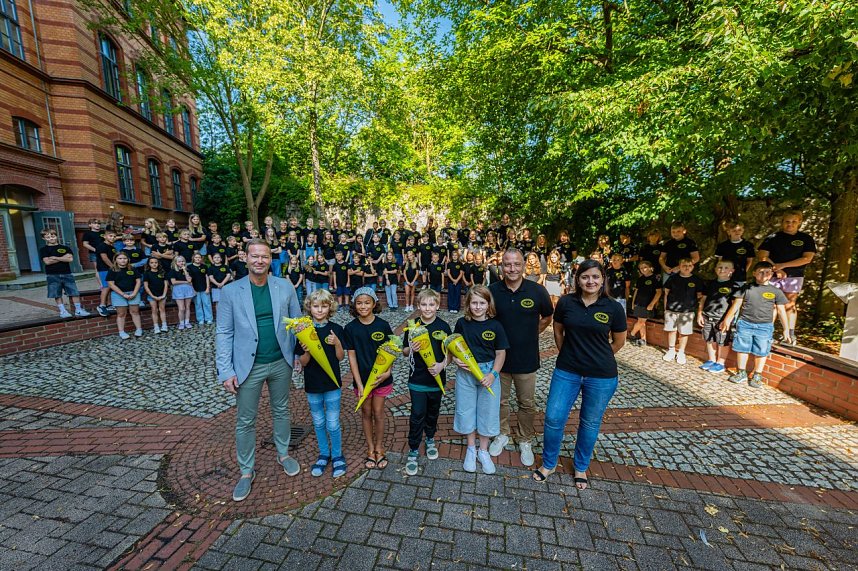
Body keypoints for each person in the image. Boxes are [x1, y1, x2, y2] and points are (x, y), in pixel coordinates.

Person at [216, 239, 303, 502]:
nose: (259, 261)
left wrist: (299, 354)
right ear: (245, 258)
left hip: (280, 362)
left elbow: (298, 324)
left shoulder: (284, 286)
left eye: (264, 256)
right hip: (247, 366)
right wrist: (225, 370)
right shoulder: (231, 292)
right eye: (254, 256)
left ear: (270, 259)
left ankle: (284, 453)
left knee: (281, 410)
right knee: (245, 419)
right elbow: (224, 332)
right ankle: (246, 471)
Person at [533, 259, 627, 489]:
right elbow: (558, 329)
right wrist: (568, 352)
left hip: (601, 376)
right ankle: (549, 463)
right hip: (567, 370)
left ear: (602, 279)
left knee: (590, 423)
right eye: (585, 277)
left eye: (595, 276)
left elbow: (619, 341)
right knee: (554, 418)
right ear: (578, 279)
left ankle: (581, 467)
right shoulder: (566, 302)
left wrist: (597, 357)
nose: (590, 281)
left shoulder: (613, 307)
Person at [488, 249, 553, 467]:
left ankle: (525, 439)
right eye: (507, 264)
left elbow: (547, 316)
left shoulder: (537, 290)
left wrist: (531, 333)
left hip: (526, 357)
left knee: (526, 403)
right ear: (501, 266)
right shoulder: (492, 291)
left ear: (523, 265)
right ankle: (502, 433)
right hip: (499, 358)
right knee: (500, 400)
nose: (512, 269)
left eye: (516, 264)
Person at [452, 286, 508, 474]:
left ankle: (483, 450)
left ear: (488, 304)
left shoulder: (496, 325)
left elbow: (501, 353)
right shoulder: (461, 323)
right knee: (466, 409)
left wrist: (493, 374)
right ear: (468, 304)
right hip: (466, 374)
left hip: (488, 373)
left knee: (488, 410)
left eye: (482, 303)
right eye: (474, 302)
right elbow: (453, 347)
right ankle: (470, 448)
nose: (477, 307)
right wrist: (456, 360)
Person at [295, 289, 347, 478]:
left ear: (330, 307)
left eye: (324, 306)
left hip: (332, 384)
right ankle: (324, 454)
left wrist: (337, 343)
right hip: (312, 385)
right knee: (318, 422)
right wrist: (307, 351)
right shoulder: (303, 331)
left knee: (332, 423)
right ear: (309, 308)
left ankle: (337, 455)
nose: (319, 310)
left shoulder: (336, 329)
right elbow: (303, 362)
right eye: (316, 306)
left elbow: (340, 358)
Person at [402, 288, 452, 476]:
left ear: (438, 305)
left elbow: (450, 354)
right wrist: (411, 349)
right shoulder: (412, 325)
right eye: (424, 304)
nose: (428, 308)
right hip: (417, 379)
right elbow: (404, 351)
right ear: (418, 306)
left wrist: (441, 365)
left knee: (432, 412)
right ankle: (413, 449)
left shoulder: (444, 326)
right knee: (417, 414)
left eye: (432, 304)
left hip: (436, 380)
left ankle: (430, 438)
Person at [344, 287, 395, 470]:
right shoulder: (350, 328)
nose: (363, 306)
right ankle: (370, 448)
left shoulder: (383, 325)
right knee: (366, 413)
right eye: (359, 303)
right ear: (354, 305)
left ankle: (380, 447)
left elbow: (392, 350)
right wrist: (358, 383)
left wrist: (388, 372)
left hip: (382, 379)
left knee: (379, 413)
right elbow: (351, 356)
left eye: (367, 302)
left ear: (374, 303)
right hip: (362, 381)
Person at [721, 261, 792, 387]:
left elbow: (781, 311)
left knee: (761, 351)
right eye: (760, 272)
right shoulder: (746, 288)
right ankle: (741, 372)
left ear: (771, 274)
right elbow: (736, 305)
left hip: (765, 327)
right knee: (742, 349)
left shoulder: (776, 291)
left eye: (767, 272)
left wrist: (786, 329)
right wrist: (727, 319)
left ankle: (757, 375)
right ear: (754, 273)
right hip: (745, 324)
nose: (764, 274)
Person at [757, 210, 817, 345]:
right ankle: (766, 332)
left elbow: (807, 258)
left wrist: (782, 266)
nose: (790, 224)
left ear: (799, 222)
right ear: (782, 222)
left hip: (795, 277)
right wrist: (775, 268)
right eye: (787, 221)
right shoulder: (773, 237)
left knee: (790, 304)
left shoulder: (806, 239)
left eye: (794, 221)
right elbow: (762, 256)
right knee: (770, 304)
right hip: (772, 276)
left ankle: (790, 335)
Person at [697, 259, 740, 374]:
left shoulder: (734, 286)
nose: (722, 270)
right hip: (707, 316)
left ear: (732, 271)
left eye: (726, 268)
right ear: (716, 269)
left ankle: (720, 363)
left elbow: (736, 304)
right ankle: (711, 360)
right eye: (720, 267)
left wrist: (727, 319)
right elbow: (703, 299)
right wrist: (699, 313)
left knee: (722, 341)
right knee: (709, 339)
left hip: (722, 319)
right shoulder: (710, 283)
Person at [662, 258, 705, 365]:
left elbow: (700, 295)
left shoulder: (696, 280)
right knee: (672, 331)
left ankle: (681, 352)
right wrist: (665, 308)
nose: (687, 267)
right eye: (684, 265)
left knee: (684, 333)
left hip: (687, 311)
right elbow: (666, 293)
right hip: (671, 310)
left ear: (693, 267)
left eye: (689, 265)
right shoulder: (673, 278)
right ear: (679, 266)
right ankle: (671, 350)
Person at [39, 229, 89, 318]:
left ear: (56, 236)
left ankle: (78, 310)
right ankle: (63, 311)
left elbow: (70, 259)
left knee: (74, 292)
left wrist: (55, 257)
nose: (51, 238)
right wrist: (63, 258)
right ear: (44, 239)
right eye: (48, 237)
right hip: (52, 274)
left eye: (53, 236)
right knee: (57, 293)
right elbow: (47, 262)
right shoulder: (44, 250)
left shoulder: (65, 248)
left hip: (67, 273)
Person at [106, 251, 143, 339]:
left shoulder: (132, 268)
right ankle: (122, 332)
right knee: (121, 313)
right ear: (116, 259)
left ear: (128, 259)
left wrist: (134, 292)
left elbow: (138, 281)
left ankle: (138, 329)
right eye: (120, 258)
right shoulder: (112, 270)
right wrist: (123, 294)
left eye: (124, 258)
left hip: (133, 292)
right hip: (118, 294)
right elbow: (111, 284)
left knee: (135, 312)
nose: (123, 260)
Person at [628, 261, 661, 346]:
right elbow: (636, 291)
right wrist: (633, 302)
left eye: (645, 267)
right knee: (641, 321)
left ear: (650, 267)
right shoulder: (640, 279)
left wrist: (652, 304)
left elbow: (659, 292)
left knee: (641, 322)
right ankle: (643, 340)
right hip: (638, 303)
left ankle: (631, 334)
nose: (643, 269)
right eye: (641, 268)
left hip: (648, 304)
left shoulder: (655, 278)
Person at [142, 256, 169, 333]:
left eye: (155, 262)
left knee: (162, 309)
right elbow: (146, 286)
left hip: (162, 294)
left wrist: (164, 294)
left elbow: (166, 284)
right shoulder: (147, 273)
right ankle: (156, 326)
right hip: (152, 295)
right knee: (154, 310)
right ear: (149, 264)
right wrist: (152, 295)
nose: (154, 264)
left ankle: (164, 325)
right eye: (152, 263)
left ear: (158, 263)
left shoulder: (162, 272)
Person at [95, 230, 118, 317]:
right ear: (105, 236)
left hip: (111, 269)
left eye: (114, 236)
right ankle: (102, 305)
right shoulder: (101, 246)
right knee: (106, 286)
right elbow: (104, 258)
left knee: (111, 287)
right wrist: (113, 267)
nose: (112, 238)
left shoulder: (112, 247)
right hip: (104, 269)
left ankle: (109, 304)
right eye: (110, 236)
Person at [169, 255, 195, 329]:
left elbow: (189, 280)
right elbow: (173, 282)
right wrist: (185, 282)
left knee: (187, 307)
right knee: (181, 308)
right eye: (179, 261)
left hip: (188, 289)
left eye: (183, 261)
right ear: (176, 263)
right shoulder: (173, 271)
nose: (181, 263)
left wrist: (185, 270)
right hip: (178, 290)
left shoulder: (188, 270)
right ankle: (181, 322)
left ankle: (187, 322)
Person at [188, 252, 213, 325]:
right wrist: (193, 290)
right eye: (196, 257)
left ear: (201, 258)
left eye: (199, 257)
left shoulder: (204, 266)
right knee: (198, 304)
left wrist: (208, 287)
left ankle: (209, 318)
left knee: (207, 303)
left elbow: (207, 277)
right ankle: (200, 319)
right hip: (195, 288)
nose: (198, 259)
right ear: (193, 258)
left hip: (204, 288)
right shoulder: (190, 267)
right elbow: (189, 280)